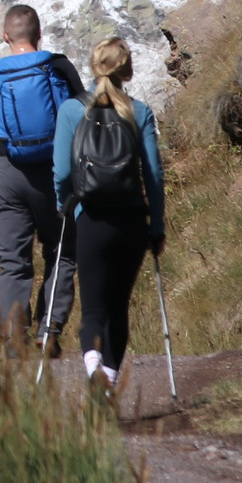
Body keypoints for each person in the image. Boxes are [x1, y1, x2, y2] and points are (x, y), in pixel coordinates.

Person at [0, 3, 86, 346]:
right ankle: (49, 331)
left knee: (13, 260)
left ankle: (15, 337)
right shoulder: (57, 66)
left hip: (9, 174)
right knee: (61, 251)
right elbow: (84, 112)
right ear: (39, 34)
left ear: (6, 36)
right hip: (55, 173)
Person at [54, 37, 166, 397]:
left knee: (93, 309)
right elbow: (153, 175)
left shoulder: (73, 110)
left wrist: (66, 207)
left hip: (92, 219)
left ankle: (91, 367)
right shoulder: (139, 111)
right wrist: (157, 225)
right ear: (126, 70)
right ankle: (109, 387)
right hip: (131, 220)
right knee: (118, 308)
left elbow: (60, 171)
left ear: (93, 65)